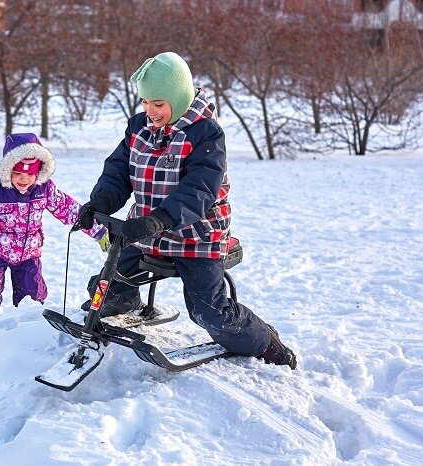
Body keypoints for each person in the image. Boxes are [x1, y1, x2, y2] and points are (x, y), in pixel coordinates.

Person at [78, 52, 297, 369]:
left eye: (158, 104)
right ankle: (124, 298)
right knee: (106, 286)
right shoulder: (139, 128)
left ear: (178, 99)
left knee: (207, 311)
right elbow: (117, 172)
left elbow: (199, 189)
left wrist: (161, 220)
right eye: (146, 103)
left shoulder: (205, 134)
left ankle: (264, 339)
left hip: (197, 238)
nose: (150, 111)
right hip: (147, 232)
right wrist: (101, 202)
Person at [0, 132, 109, 308]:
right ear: (8, 169)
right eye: (18, 173)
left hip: (28, 253)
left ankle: (27, 326)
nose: (24, 179)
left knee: (32, 294)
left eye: (30, 174)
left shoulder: (44, 189)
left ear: (39, 172)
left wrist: (98, 231)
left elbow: (69, 209)